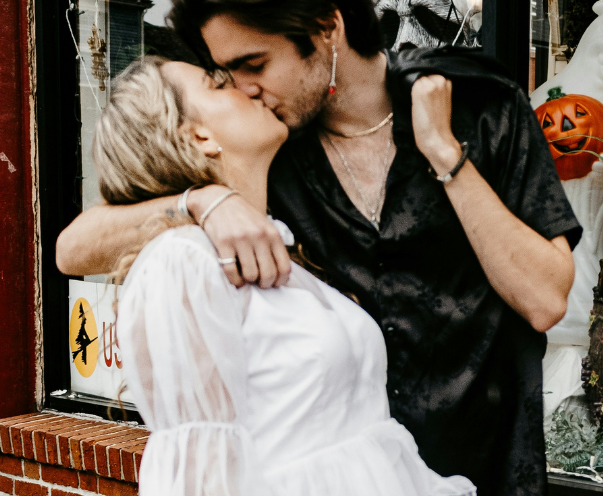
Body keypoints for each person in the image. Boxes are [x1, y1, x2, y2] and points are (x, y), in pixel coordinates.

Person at [56, 0, 579, 496]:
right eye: (224, 75)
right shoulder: (269, 148)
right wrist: (200, 202)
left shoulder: (481, 104)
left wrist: (445, 156)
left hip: (488, 474)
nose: (244, 88)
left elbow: (544, 299)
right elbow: (74, 249)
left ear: (326, 25)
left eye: (252, 64)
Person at [99, 56, 476, 496]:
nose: (249, 88)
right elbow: (201, 473)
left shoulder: (282, 253)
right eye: (219, 85)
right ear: (198, 136)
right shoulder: (184, 261)